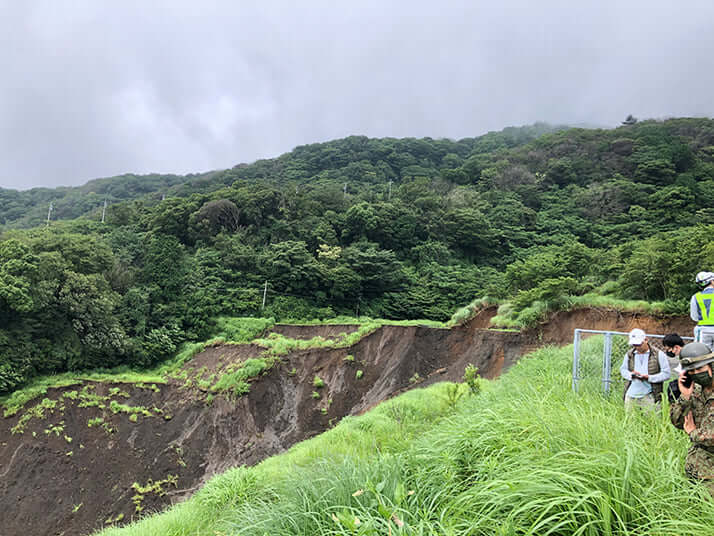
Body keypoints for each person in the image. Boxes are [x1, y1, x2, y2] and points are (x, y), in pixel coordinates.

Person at [670, 342, 714, 495]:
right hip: (697, 467)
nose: (696, 373)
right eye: (692, 371)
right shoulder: (695, 390)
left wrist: (693, 433)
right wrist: (685, 397)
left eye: (700, 368)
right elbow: (677, 422)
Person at [619, 328, 671, 409]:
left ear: (646, 340)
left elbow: (667, 374)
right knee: (629, 420)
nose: (637, 347)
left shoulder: (658, 354)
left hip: (650, 395)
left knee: (652, 421)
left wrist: (649, 378)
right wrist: (631, 375)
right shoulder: (630, 354)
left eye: (639, 344)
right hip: (631, 395)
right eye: (634, 345)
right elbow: (623, 370)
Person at [691, 271, 714, 349]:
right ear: (711, 281)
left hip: (703, 330)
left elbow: (694, 317)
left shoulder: (696, 297)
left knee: (702, 355)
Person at [662, 333, 685, 403]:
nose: (669, 352)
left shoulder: (687, 355)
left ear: (676, 347)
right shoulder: (682, 355)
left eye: (669, 349)